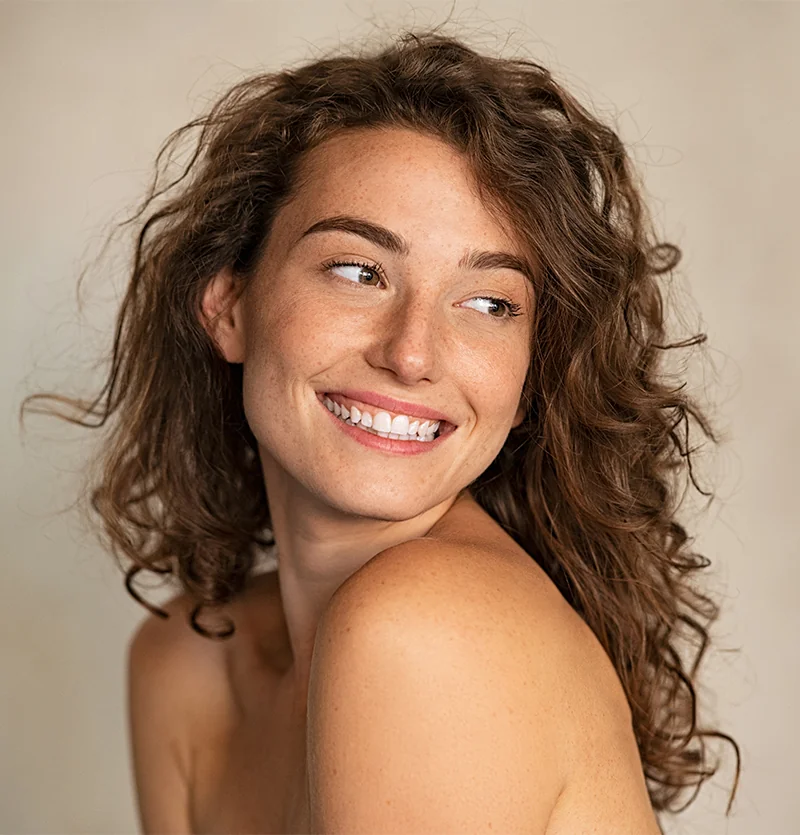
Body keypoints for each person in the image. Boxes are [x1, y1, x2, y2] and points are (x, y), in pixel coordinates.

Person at [23, 28, 740, 833]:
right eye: (359, 271)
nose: (410, 353)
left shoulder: (424, 629)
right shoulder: (183, 661)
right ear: (228, 304)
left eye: (489, 302)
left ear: (531, 369)